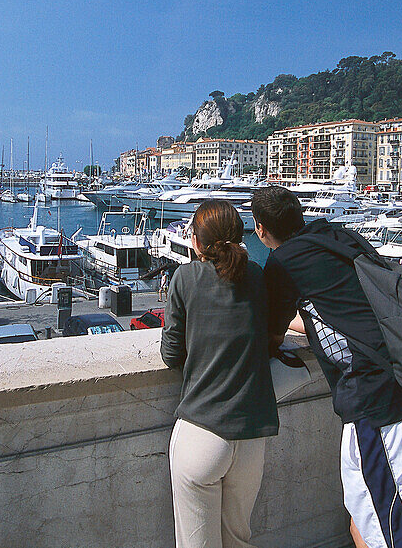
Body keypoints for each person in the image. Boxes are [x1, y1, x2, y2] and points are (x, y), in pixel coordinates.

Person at [252, 186, 402, 548]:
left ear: (259, 229)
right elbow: (338, 308)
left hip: (382, 408)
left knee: (398, 534)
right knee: (374, 522)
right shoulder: (338, 237)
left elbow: (270, 328)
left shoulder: (284, 262)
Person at [161, 199, 278, 548]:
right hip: (250, 437)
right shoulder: (256, 276)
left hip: (202, 430)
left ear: (197, 241)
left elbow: (171, 355)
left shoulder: (185, 277)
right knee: (239, 541)